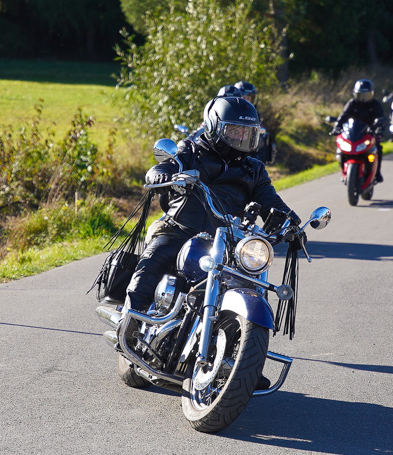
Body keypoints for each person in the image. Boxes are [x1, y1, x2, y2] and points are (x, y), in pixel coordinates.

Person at [122, 96, 297, 315]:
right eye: (234, 131)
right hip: (180, 231)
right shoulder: (191, 151)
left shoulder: (254, 169)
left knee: (250, 281)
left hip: (226, 243)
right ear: (214, 126)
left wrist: (292, 224)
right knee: (150, 264)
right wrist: (167, 177)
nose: (241, 138)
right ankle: (130, 321)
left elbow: (271, 200)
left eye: (247, 133)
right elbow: (159, 170)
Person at [329, 79, 387, 182]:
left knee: (378, 149)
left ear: (372, 94)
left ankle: (377, 173)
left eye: (366, 95)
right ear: (355, 94)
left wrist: (379, 129)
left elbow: (381, 117)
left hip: (369, 133)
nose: (364, 99)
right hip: (353, 134)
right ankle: (344, 171)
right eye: (361, 95)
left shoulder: (375, 104)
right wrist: (337, 127)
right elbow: (343, 116)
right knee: (340, 150)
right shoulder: (352, 103)